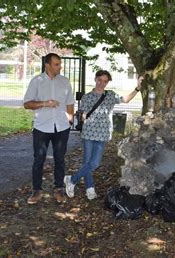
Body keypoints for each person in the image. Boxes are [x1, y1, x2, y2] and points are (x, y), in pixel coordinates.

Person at [64, 70, 143, 200]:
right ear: (95, 79)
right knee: (87, 162)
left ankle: (72, 179)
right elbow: (82, 113)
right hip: (89, 133)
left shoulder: (110, 95)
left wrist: (137, 88)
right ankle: (90, 188)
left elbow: (126, 99)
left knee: (94, 163)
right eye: (100, 80)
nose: (102, 83)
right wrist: (83, 116)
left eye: (105, 81)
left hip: (102, 135)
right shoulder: (87, 97)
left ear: (108, 82)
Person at [23, 53, 75, 204]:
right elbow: (27, 104)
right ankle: (36, 190)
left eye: (60, 64)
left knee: (60, 159)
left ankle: (58, 189)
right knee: (39, 159)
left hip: (61, 127)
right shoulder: (36, 81)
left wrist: (70, 119)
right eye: (56, 64)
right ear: (47, 65)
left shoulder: (65, 81)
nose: (60, 67)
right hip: (41, 126)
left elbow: (70, 102)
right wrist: (45, 103)